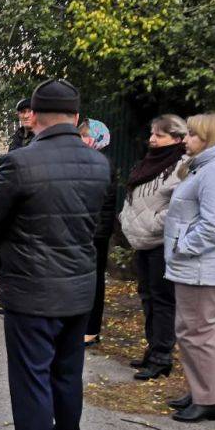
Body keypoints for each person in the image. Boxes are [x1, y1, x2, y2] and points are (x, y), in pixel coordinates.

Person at [0, 79, 110, 430]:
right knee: (68, 376)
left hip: (33, 290)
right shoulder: (99, 164)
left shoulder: (21, 163)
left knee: (32, 380)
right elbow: (100, 226)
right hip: (79, 289)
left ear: (36, 114)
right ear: (74, 115)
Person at [163, 112, 215, 423]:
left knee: (199, 332)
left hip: (203, 265)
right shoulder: (208, 168)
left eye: (192, 135)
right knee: (191, 331)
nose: (185, 139)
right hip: (197, 265)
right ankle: (200, 391)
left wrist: (182, 246)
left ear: (209, 138)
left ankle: (207, 400)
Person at [119, 115, 188, 381]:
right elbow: (134, 195)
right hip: (142, 240)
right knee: (146, 295)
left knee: (162, 298)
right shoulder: (148, 162)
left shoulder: (182, 166)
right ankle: (152, 349)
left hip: (162, 241)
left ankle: (162, 356)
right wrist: (128, 220)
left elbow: (180, 206)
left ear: (177, 139)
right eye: (152, 134)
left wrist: (154, 224)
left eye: (159, 136)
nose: (152, 139)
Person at [79, 119, 118, 347]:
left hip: (96, 233)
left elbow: (101, 203)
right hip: (86, 231)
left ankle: (92, 330)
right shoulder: (88, 162)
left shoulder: (102, 164)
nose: (82, 140)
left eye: (85, 136)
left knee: (94, 281)